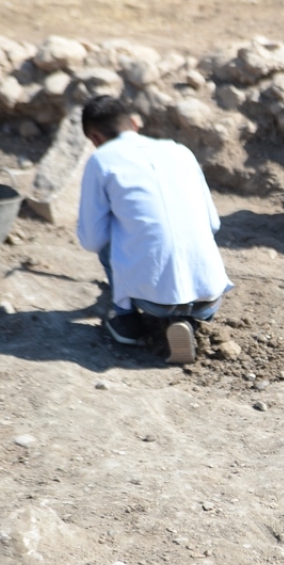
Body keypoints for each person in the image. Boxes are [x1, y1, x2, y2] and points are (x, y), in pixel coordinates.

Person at [77, 95, 233, 365]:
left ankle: (129, 323)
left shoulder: (101, 160)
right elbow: (213, 224)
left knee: (110, 231)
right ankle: (193, 322)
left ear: (95, 137)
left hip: (152, 301)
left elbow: (92, 240)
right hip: (210, 294)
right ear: (134, 124)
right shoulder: (180, 150)